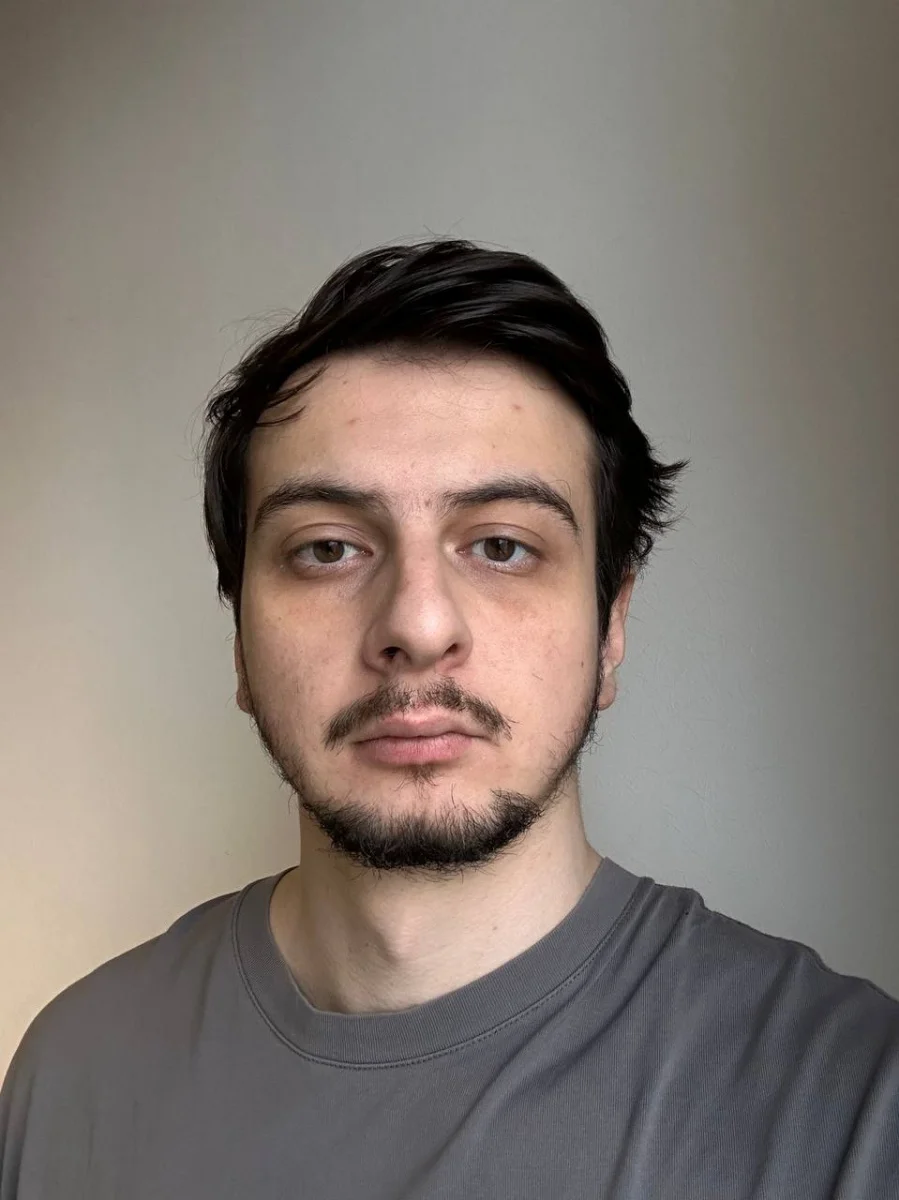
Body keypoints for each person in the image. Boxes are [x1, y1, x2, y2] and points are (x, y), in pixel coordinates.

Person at [1, 238, 896, 1199]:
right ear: (240, 640)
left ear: (611, 626)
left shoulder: (851, 1108)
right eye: (328, 548)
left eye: (502, 546)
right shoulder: (71, 1077)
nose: (418, 627)